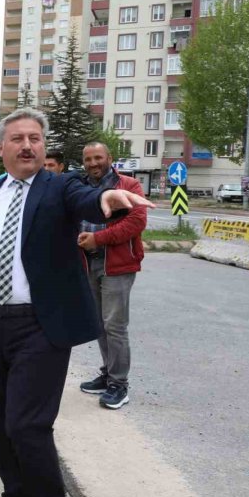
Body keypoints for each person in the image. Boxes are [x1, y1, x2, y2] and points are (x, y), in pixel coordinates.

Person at [0, 108, 153, 497]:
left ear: (43, 146)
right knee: (1, 423)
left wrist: (108, 196)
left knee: (27, 425)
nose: (27, 146)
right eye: (17, 139)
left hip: (40, 326)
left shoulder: (59, 187)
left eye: (34, 138)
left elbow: (87, 199)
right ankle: (15, 494)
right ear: (1, 147)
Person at [76, 142, 146, 410]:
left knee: (115, 325)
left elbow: (136, 222)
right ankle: (108, 374)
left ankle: (119, 384)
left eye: (98, 158)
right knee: (99, 323)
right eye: (88, 159)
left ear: (109, 158)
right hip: (86, 262)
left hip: (117, 263)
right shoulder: (81, 186)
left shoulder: (128, 185)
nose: (93, 163)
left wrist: (98, 238)